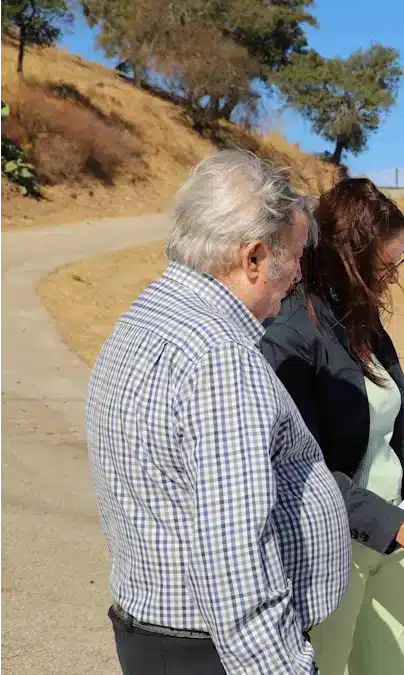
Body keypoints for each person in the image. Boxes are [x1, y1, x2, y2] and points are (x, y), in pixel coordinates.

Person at [85, 149, 351, 674]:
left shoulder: (148, 316)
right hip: (212, 653)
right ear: (253, 258)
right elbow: (235, 561)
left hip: (163, 637)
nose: (297, 276)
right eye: (294, 258)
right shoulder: (220, 361)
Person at [259, 178, 404, 675]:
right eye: (386, 264)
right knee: (323, 663)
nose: (394, 276)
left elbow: (366, 417)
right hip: (336, 542)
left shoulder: (362, 318)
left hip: (390, 535)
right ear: (350, 259)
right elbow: (304, 470)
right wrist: (393, 525)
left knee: (387, 667)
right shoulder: (293, 336)